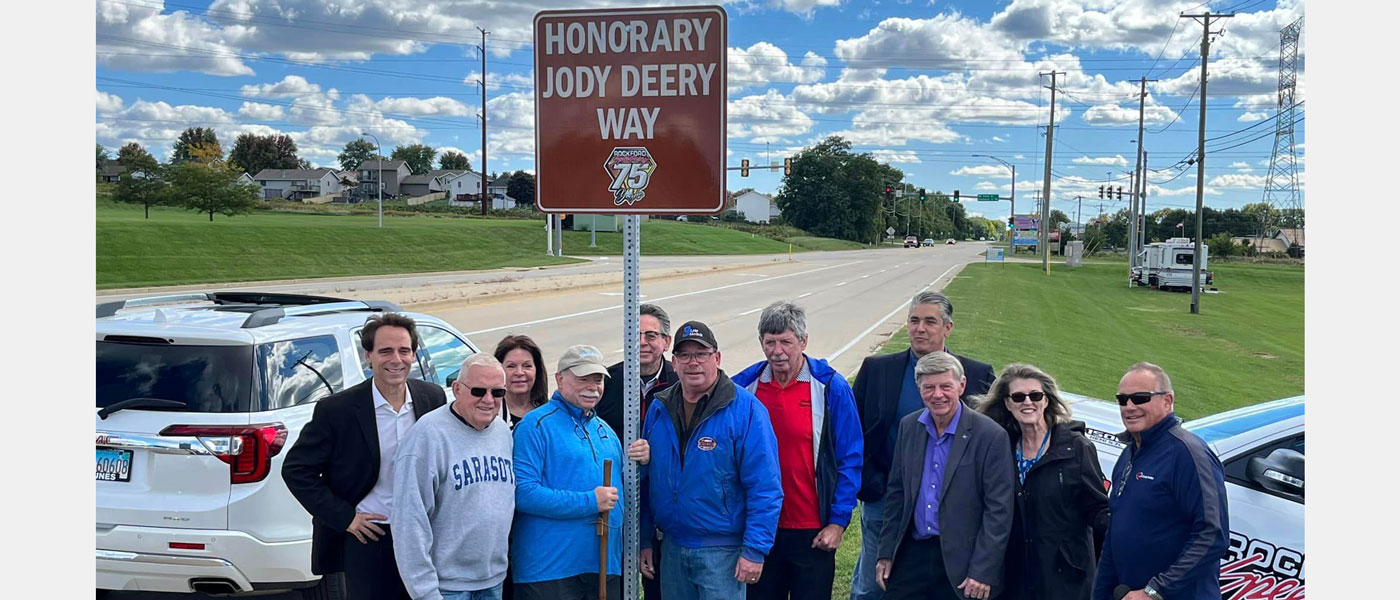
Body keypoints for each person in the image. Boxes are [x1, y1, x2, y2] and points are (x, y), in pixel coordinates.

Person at [283, 313, 448, 600]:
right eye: (385, 351)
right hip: (370, 538)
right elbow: (297, 470)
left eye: (404, 350)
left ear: (413, 354)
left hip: (423, 535)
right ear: (368, 356)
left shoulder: (432, 399)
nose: (396, 359)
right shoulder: (337, 410)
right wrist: (347, 518)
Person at [850, 291, 996, 600]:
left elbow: (992, 440)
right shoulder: (877, 370)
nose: (920, 328)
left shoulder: (978, 375)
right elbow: (854, 434)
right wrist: (872, 483)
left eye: (930, 321)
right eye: (914, 320)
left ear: (948, 327)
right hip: (885, 500)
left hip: (952, 510)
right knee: (871, 584)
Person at [639, 320, 783, 600]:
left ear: (716, 358)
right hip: (672, 548)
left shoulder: (746, 410)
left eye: (701, 354)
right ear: (675, 362)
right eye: (685, 355)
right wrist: (645, 539)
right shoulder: (659, 408)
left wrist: (754, 550)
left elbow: (765, 487)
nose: (693, 363)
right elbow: (646, 480)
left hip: (722, 553)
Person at [730, 301, 863, 600]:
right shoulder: (743, 388)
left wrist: (838, 522)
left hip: (812, 531)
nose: (777, 351)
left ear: (803, 342)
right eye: (770, 342)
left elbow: (850, 459)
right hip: (760, 529)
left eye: (786, 342)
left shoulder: (831, 388)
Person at [511, 344, 651, 600]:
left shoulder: (607, 432)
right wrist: (590, 501)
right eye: (582, 378)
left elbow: (621, 491)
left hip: (604, 566)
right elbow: (523, 493)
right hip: (550, 571)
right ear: (560, 379)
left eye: (597, 379)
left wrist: (641, 464)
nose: (592, 386)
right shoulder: (535, 426)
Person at [875, 352, 1014, 600]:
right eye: (929, 387)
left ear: (961, 386)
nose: (937, 395)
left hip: (963, 562)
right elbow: (897, 494)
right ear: (919, 389)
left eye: (945, 386)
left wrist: (983, 570)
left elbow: (999, 510)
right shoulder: (909, 427)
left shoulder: (991, 436)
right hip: (912, 554)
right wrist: (885, 553)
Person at [1093, 363, 1229, 600]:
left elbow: (1212, 534)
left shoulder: (1188, 454)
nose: (1129, 407)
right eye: (1122, 399)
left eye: (1140, 398)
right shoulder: (1130, 453)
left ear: (1167, 401)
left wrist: (1156, 590)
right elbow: (1115, 534)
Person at [977, 364, 1109, 600]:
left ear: (1046, 400)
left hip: (1065, 579)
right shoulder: (1001, 447)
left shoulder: (1077, 448)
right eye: (1018, 397)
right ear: (1008, 404)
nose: (1027, 402)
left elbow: (1098, 510)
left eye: (1035, 395)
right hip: (1015, 576)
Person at [392, 353, 516, 600]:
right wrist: (426, 592)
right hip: (446, 587)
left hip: (493, 581)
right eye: (479, 391)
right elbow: (409, 521)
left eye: (498, 393)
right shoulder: (427, 437)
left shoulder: (502, 431)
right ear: (457, 389)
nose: (488, 400)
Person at [595, 303, 680, 600]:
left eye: (651, 335)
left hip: (661, 507)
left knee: (659, 586)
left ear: (666, 343)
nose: (643, 342)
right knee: (613, 584)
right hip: (613, 501)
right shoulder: (606, 382)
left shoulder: (681, 383)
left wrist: (655, 455)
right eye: (636, 334)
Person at [494, 335, 549, 428]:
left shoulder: (548, 413)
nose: (519, 373)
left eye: (527, 366)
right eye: (511, 366)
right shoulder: (490, 414)